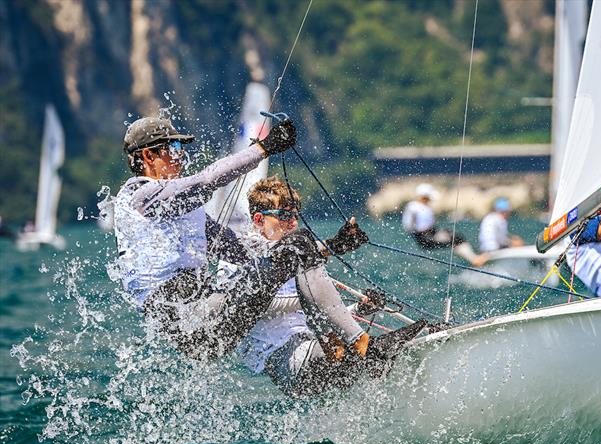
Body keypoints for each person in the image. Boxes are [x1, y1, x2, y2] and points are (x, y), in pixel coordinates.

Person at [113, 115, 416, 363]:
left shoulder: (186, 214)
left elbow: (247, 252)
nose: (180, 157)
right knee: (296, 244)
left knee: (298, 244)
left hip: (211, 316)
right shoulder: (140, 197)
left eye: (181, 149)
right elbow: (207, 181)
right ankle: (353, 340)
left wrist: (331, 248)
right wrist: (264, 149)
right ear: (148, 155)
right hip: (189, 320)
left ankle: (338, 344)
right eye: (174, 149)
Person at [218, 177, 426, 396]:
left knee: (359, 353)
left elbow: (310, 318)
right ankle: (373, 351)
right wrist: (316, 298)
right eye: (285, 216)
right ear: (259, 220)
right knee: (359, 352)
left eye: (296, 216)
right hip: (282, 361)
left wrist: (358, 309)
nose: (293, 223)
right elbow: (249, 307)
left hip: (315, 346)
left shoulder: (295, 258)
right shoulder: (234, 258)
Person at [402, 183, 483, 266]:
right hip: (425, 238)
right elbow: (408, 225)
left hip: (432, 234)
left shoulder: (425, 207)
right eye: (428, 198)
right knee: (455, 239)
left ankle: (472, 258)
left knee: (456, 236)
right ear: (424, 196)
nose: (430, 200)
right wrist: (419, 235)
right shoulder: (412, 207)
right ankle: (474, 259)